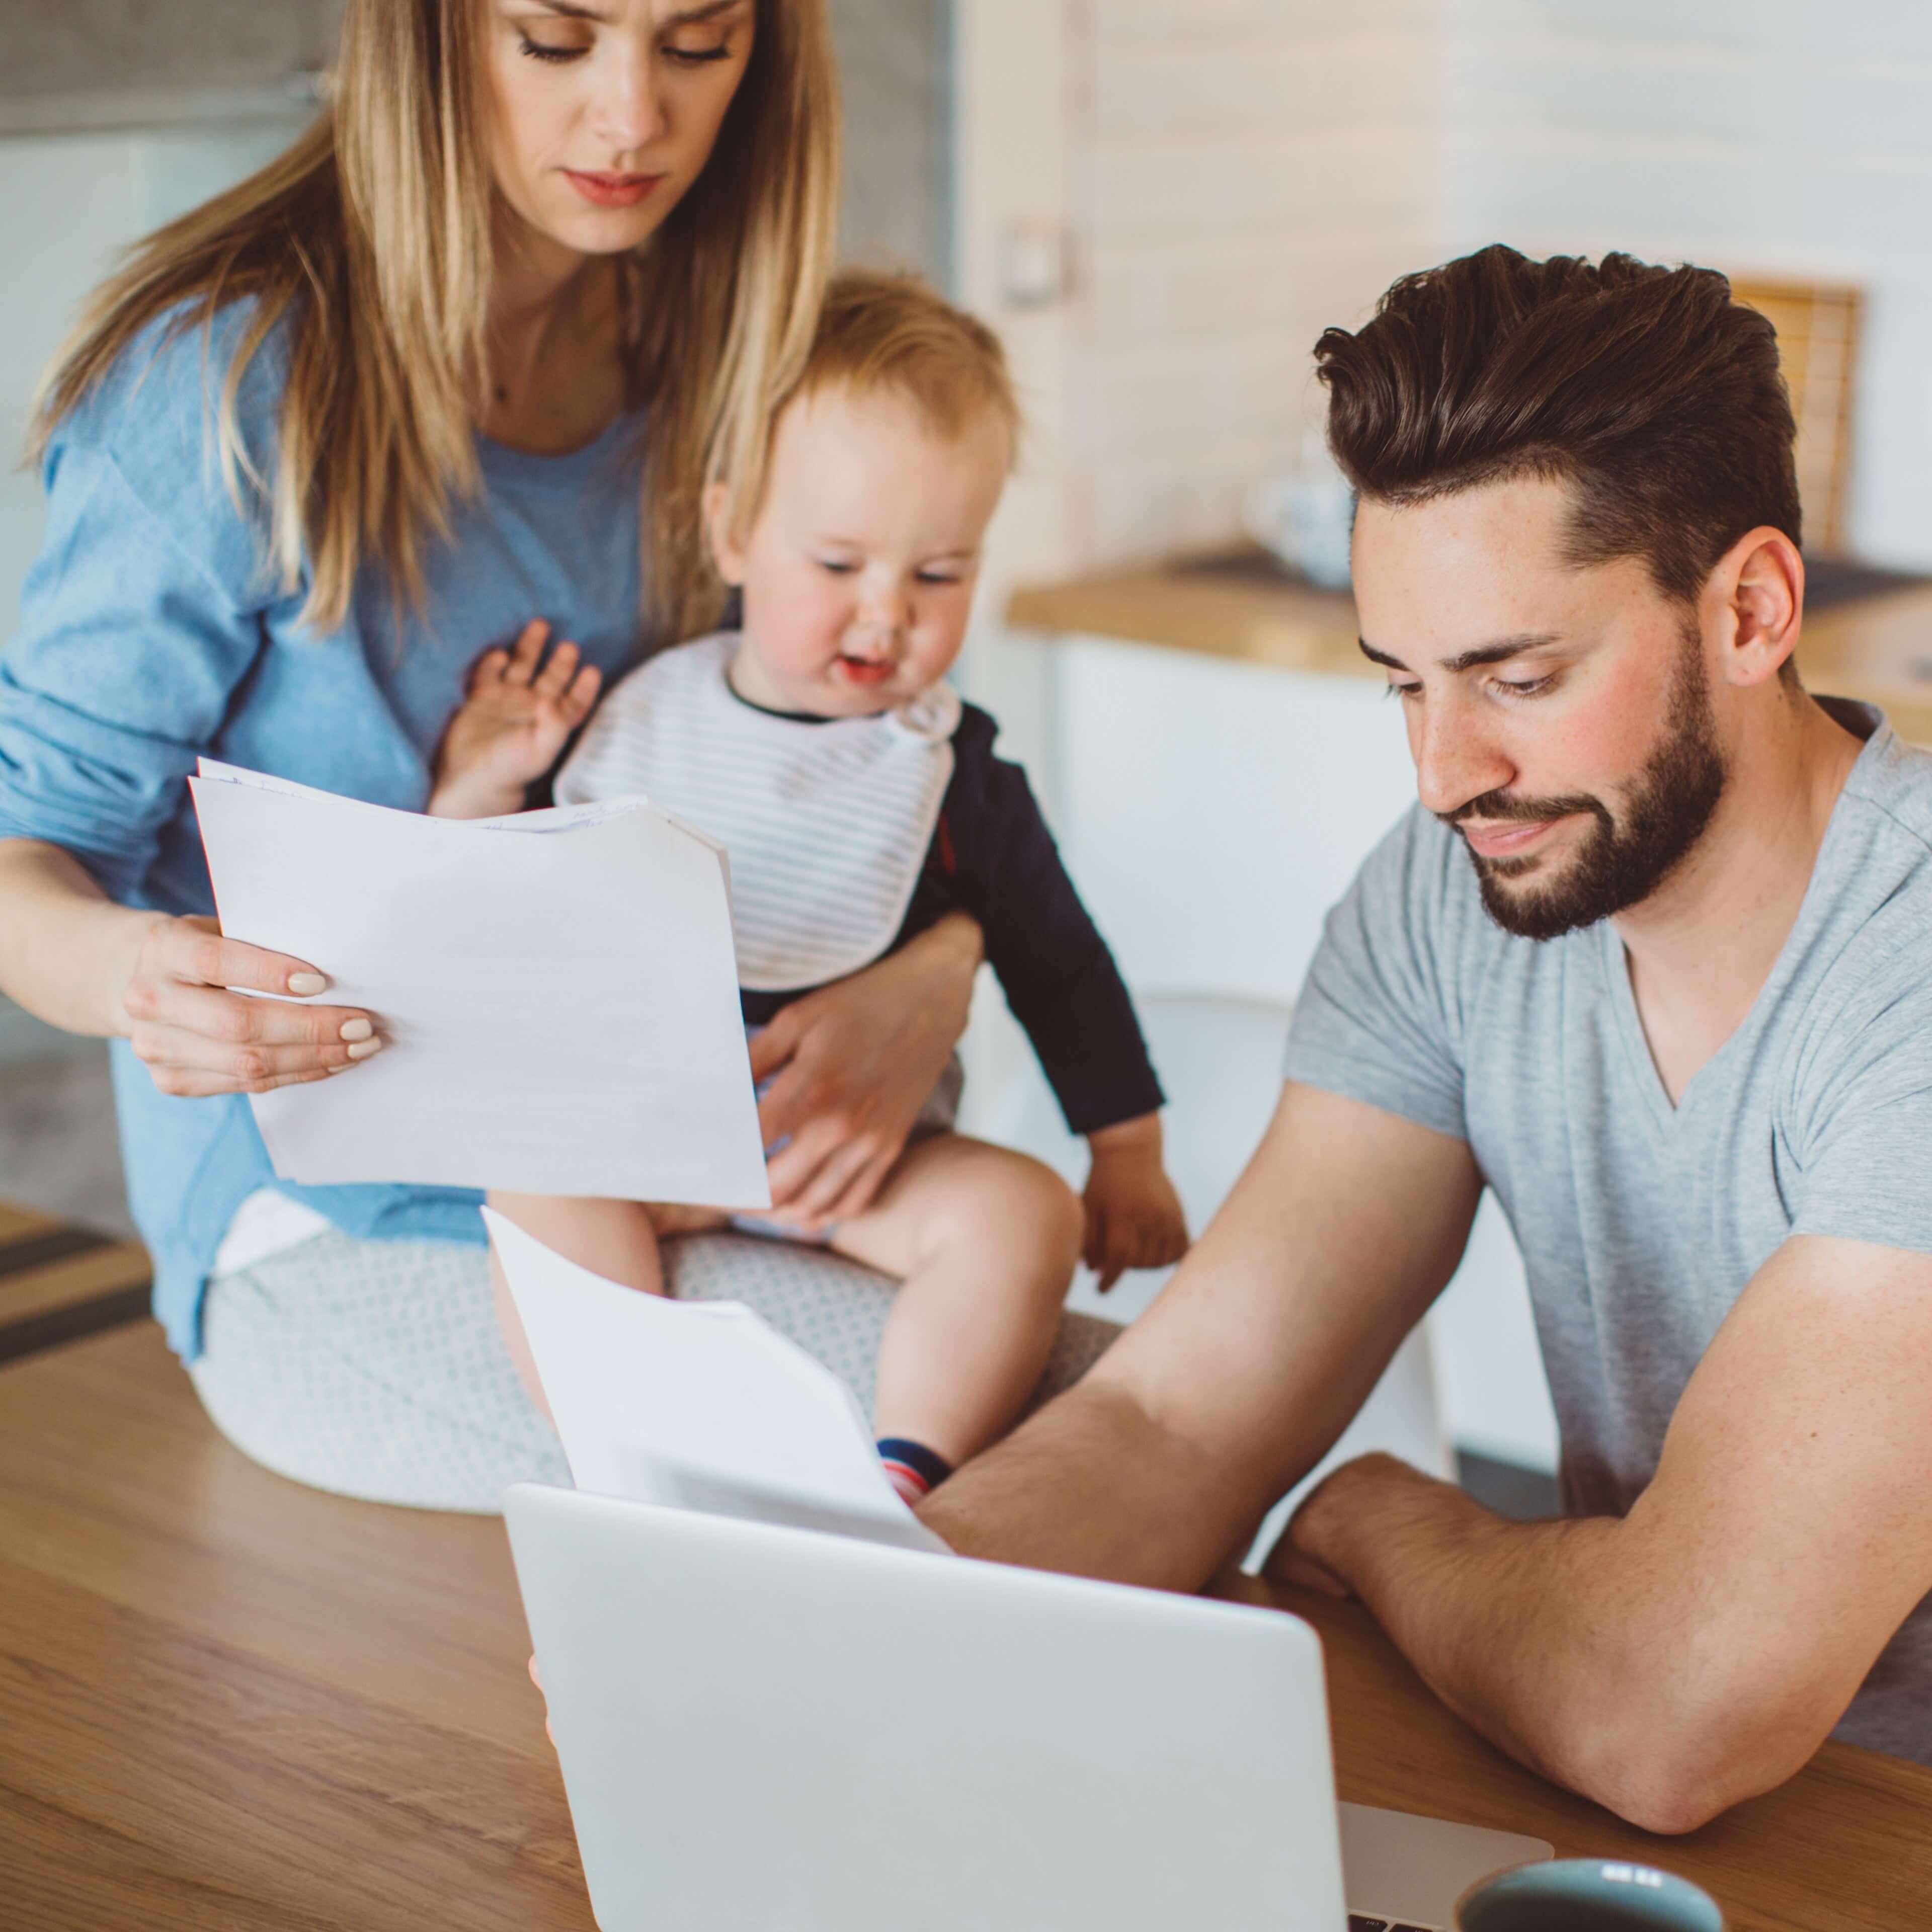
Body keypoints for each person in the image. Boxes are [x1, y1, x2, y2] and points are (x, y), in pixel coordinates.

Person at [0, 0, 1113, 1514]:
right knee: (1112, 1447)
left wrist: (938, 968)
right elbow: (24, 860)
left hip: (683, 1153)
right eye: (554, 38)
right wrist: (141, 977)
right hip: (352, 1218)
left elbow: (832, 763)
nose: (632, 119)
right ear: (430, 36)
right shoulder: (222, 388)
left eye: (698, 44)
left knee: (1164, 1417)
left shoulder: (726, 359)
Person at [921, 246, 1932, 1825]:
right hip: (1605, 1797)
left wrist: (1386, 1517)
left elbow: (1672, 1709)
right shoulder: (1457, 894)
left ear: (1750, 609)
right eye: (1402, 684)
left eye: (1518, 678)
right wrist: (851, 1622)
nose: (1445, 775)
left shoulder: (1910, 978)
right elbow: (1177, 1419)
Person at [429, 272, 1188, 1504]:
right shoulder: (638, 718)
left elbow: (1061, 958)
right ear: (732, 533)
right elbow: (513, 906)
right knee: (530, 1178)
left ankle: (910, 1476)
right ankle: (628, 1467)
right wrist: (476, 792)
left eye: (939, 576)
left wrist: (1128, 1153)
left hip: (851, 1175)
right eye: (838, 562)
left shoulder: (957, 770)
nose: (885, 616)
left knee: (1023, 1217)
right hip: (649, 1150)